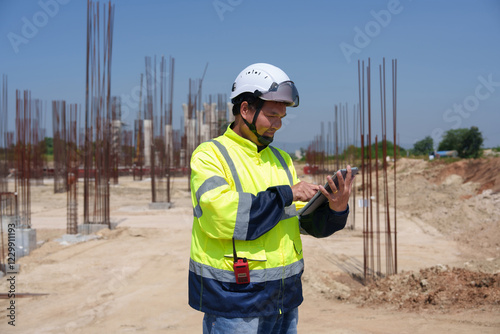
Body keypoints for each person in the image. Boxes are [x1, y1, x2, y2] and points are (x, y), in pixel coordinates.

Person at [188, 63, 355, 333]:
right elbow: (224, 217)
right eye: (272, 115)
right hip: (235, 301)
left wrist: (335, 209)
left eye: (282, 117)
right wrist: (288, 193)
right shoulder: (210, 155)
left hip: (283, 298)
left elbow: (301, 222)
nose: (278, 125)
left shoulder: (281, 159)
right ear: (245, 109)